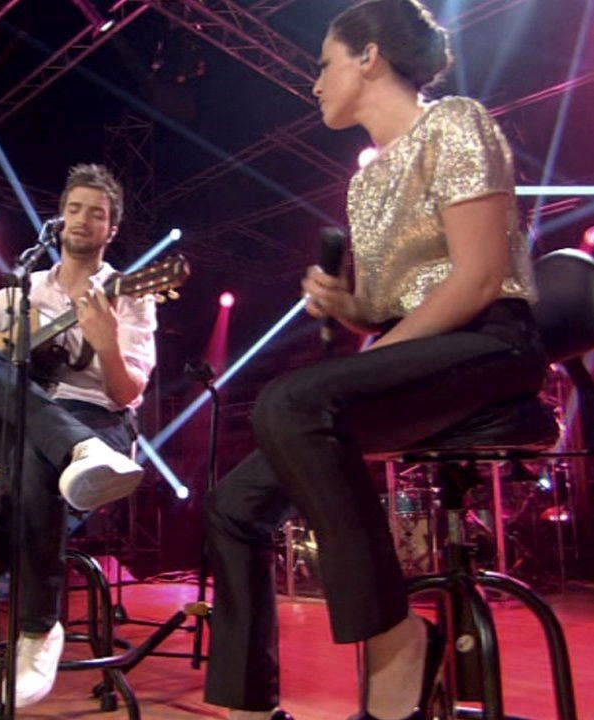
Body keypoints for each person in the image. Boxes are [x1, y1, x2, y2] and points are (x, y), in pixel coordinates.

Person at [202, 2, 546, 719]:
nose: (314, 83)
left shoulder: (454, 123)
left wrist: (381, 346)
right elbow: (392, 308)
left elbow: (480, 276)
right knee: (233, 507)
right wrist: (350, 307)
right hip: (422, 351)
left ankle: (396, 641)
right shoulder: (365, 182)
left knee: (290, 402)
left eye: (323, 63)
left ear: (369, 56)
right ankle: (247, 709)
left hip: (491, 344)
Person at [0, 163, 155, 708]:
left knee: (34, 467)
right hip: (36, 415)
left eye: (97, 214)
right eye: (74, 208)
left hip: (100, 422)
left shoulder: (131, 294)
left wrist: (106, 342)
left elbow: (127, 393)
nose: (83, 220)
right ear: (59, 218)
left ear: (111, 229)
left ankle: (38, 632)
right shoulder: (26, 288)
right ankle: (73, 449)